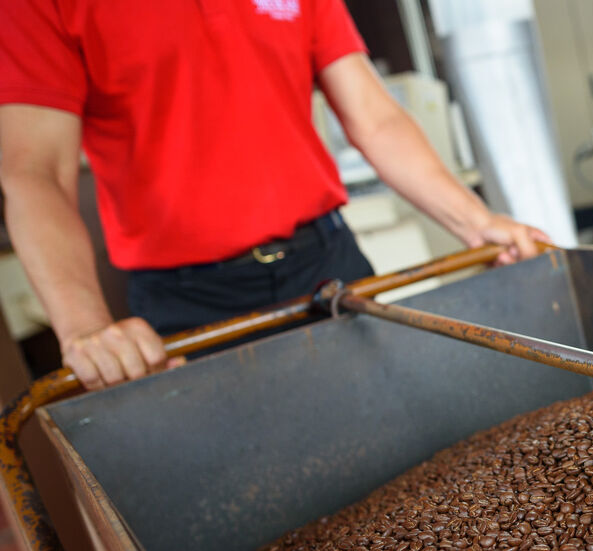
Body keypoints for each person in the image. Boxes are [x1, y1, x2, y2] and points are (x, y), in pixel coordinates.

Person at [0, 0, 550, 392]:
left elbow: (375, 117)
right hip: (191, 304)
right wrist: (86, 329)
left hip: (329, 264)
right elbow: (33, 170)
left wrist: (477, 222)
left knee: (404, 444)